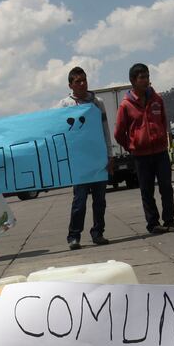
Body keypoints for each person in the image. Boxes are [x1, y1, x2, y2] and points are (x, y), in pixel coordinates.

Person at [114, 63, 174, 234]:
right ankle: (153, 223)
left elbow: (163, 121)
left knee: (166, 187)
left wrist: (163, 139)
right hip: (141, 156)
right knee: (147, 191)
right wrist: (132, 146)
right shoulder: (126, 105)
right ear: (133, 81)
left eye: (148, 76)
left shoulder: (157, 99)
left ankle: (170, 221)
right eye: (142, 77)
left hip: (161, 153)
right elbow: (119, 133)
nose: (146, 80)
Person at [57, 66, 114, 249]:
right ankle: (74, 236)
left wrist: (109, 154)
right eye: (78, 81)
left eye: (84, 80)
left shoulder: (97, 102)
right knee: (79, 201)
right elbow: (56, 129)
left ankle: (98, 232)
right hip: (78, 161)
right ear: (70, 85)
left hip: (97, 159)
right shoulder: (64, 105)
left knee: (100, 200)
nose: (82, 84)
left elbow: (105, 129)